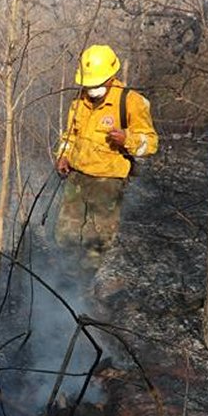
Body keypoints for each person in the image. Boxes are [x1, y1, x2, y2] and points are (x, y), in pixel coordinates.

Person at [53, 44, 158, 268]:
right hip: (77, 176)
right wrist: (63, 155)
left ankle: (85, 285)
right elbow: (70, 135)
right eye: (88, 84)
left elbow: (151, 143)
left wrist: (127, 140)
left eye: (97, 84)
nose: (92, 89)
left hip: (108, 182)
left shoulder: (131, 102)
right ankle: (65, 278)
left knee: (97, 239)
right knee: (66, 234)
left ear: (112, 76)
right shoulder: (79, 101)